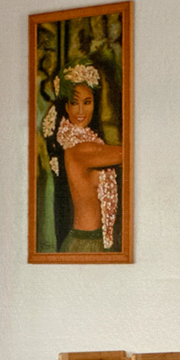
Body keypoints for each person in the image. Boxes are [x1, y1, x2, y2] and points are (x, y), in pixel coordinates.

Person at [49, 64, 122, 252]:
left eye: (87, 102)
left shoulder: (90, 142)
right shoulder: (79, 150)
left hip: (93, 240)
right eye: (74, 103)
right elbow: (129, 154)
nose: (80, 111)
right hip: (85, 244)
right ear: (66, 106)